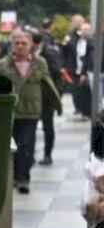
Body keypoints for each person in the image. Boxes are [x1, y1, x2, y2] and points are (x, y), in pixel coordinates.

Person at [0, 29, 51, 195]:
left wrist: (51, 107)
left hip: (31, 111)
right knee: (11, 147)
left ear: (31, 45)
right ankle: (13, 176)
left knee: (25, 145)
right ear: (12, 45)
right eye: (16, 43)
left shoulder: (40, 63)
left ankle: (23, 179)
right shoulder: (2, 65)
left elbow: (47, 85)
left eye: (23, 43)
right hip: (9, 112)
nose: (20, 46)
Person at [34, 32, 63, 166]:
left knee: (47, 126)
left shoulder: (50, 54)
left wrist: (56, 95)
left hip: (46, 98)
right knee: (30, 126)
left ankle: (47, 154)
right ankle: (29, 155)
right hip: (33, 97)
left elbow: (57, 75)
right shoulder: (29, 54)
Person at [63, 20, 94, 119]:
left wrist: (84, 72)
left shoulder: (92, 42)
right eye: (83, 29)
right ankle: (80, 109)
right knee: (76, 90)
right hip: (75, 69)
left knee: (87, 92)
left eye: (87, 29)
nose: (85, 31)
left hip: (87, 71)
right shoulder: (75, 40)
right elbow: (67, 51)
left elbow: (89, 57)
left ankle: (87, 111)